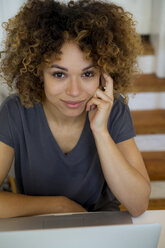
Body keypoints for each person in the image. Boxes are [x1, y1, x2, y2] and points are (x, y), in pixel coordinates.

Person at [0, 0, 150, 218]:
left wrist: (101, 132)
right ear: (38, 73)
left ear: (104, 75)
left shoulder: (113, 110)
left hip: (99, 228)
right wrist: (59, 206)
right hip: (38, 228)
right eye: (59, 74)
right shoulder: (16, 111)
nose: (74, 91)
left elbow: (138, 205)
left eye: (88, 74)